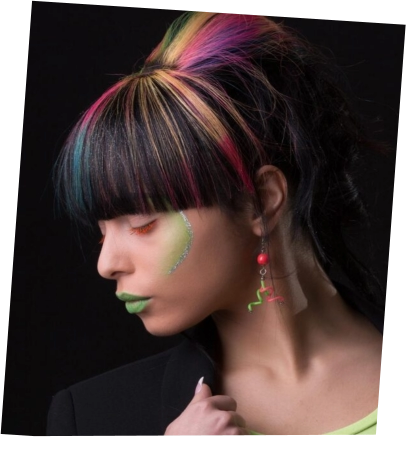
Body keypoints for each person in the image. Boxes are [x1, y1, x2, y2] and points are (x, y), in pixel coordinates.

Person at [46, 11, 389, 438]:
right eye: (101, 233)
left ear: (260, 201)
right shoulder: (92, 420)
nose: (106, 264)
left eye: (141, 223)